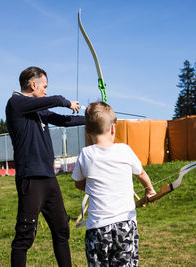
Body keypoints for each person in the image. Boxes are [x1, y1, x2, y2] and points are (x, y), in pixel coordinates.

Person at [6, 66, 85, 267]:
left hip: (49, 179)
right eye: (44, 86)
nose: (46, 91)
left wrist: (93, 118)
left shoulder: (38, 109)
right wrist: (65, 102)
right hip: (31, 179)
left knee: (61, 230)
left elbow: (63, 120)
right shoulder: (16, 104)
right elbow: (56, 100)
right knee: (24, 236)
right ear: (33, 85)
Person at [71, 102, 156, 266]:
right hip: (125, 226)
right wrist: (149, 190)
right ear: (112, 129)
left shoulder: (86, 153)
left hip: (97, 229)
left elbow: (78, 184)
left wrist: (90, 186)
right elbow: (142, 174)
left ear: (87, 133)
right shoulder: (125, 150)